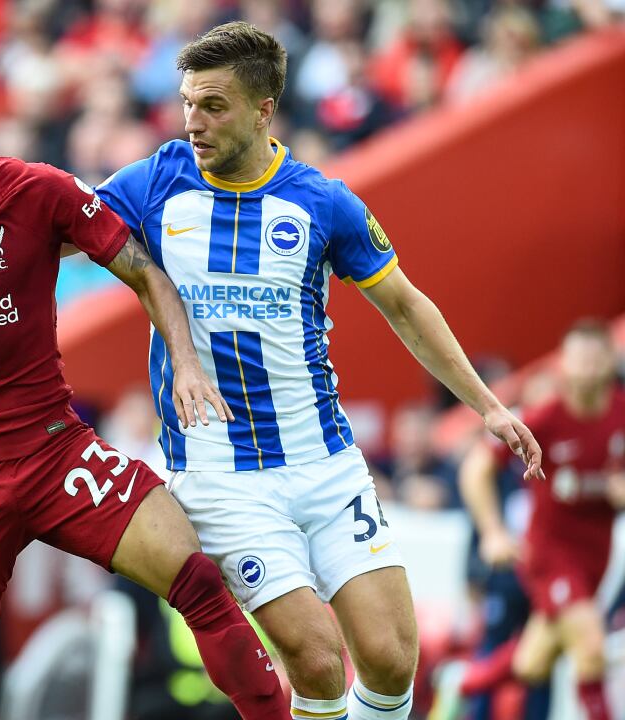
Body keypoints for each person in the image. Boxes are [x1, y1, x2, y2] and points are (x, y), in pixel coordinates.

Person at [95, 22, 543, 720]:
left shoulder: (321, 202)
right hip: (221, 472)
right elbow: (60, 223)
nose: (193, 121)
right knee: (315, 659)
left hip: (324, 459)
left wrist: (487, 405)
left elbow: (405, 305)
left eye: (213, 105)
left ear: (263, 109)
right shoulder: (157, 181)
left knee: (393, 659)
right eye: (187, 102)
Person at [0, 62, 289, 720]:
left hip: (54, 450)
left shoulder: (39, 194)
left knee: (195, 575)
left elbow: (143, 273)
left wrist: (187, 363)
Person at [433, 320, 625, 720]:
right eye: (579, 359)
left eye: (596, 359)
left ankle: (464, 681)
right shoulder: (545, 418)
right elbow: (476, 468)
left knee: (534, 662)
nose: (588, 368)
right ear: (563, 365)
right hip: (550, 555)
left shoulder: (621, 414)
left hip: (596, 557)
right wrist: (493, 533)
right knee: (590, 650)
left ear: (610, 362)